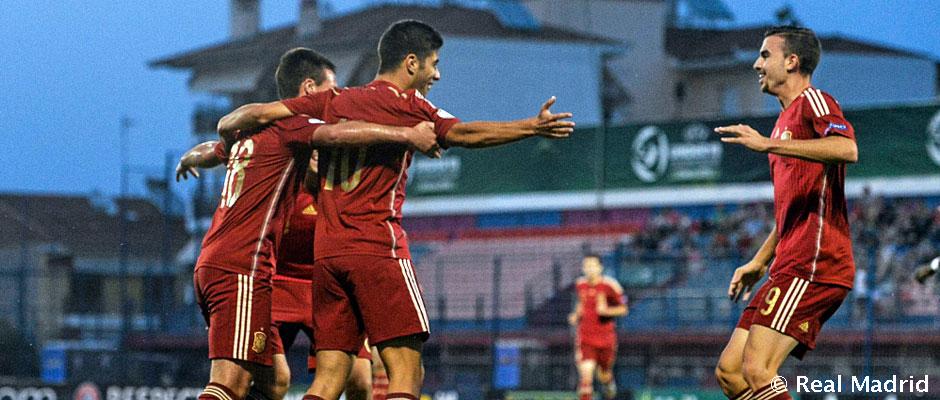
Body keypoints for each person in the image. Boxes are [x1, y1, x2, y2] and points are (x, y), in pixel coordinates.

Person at [215, 19, 575, 400]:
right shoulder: (409, 106)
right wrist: (531, 127)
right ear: (411, 63)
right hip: (376, 247)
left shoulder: (336, 100)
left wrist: (224, 133)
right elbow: (465, 135)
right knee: (406, 371)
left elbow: (258, 114)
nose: (436, 74)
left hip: (328, 257)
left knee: (329, 378)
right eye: (433, 64)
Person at [184, 47, 438, 400]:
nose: (336, 98)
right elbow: (336, 135)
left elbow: (215, 147)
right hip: (248, 267)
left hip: (233, 264)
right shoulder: (296, 127)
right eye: (330, 89)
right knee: (230, 382)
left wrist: (189, 157)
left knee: (278, 381)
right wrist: (407, 135)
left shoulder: (256, 134)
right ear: (307, 89)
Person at [713, 26, 858, 400]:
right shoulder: (783, 123)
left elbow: (847, 149)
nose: (756, 64)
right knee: (731, 372)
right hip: (788, 262)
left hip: (815, 261)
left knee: (758, 368)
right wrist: (758, 262)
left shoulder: (815, 101)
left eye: (765, 55)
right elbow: (790, 213)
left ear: (792, 61)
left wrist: (767, 144)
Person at [568, 254, 628, 400]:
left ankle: (609, 385)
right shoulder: (580, 284)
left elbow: (624, 309)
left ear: (600, 267)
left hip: (606, 338)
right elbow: (581, 303)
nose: (589, 269)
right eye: (586, 266)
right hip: (585, 338)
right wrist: (576, 315)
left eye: (593, 265)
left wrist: (606, 311)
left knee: (604, 374)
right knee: (586, 375)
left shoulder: (610, 285)